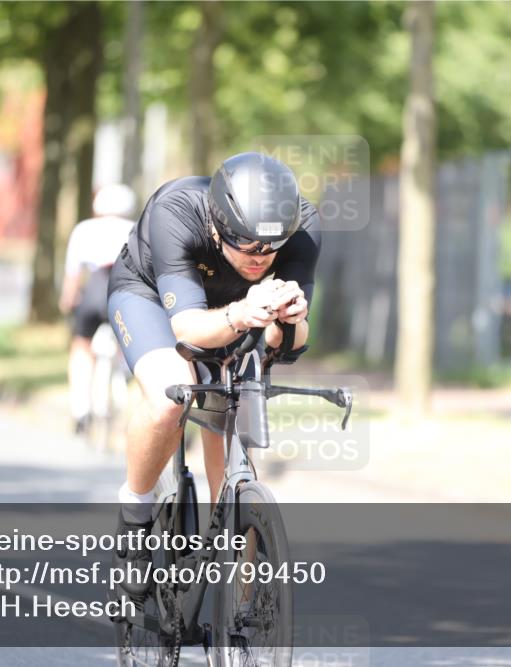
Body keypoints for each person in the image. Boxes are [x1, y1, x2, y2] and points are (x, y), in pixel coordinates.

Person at [106, 152, 320, 600]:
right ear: (218, 227)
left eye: (271, 247)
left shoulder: (301, 228)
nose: (261, 258)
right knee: (171, 398)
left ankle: (245, 596)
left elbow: (292, 345)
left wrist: (290, 319)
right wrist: (244, 312)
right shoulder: (177, 212)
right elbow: (187, 329)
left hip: (238, 308)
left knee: (230, 411)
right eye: (247, 246)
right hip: (148, 295)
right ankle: (134, 515)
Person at [59, 184, 137, 435]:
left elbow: (73, 274)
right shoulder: (136, 230)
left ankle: (80, 409)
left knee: (81, 345)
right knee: (129, 342)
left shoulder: (84, 230)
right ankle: (123, 374)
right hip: (124, 294)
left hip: (94, 292)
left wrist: (68, 299)